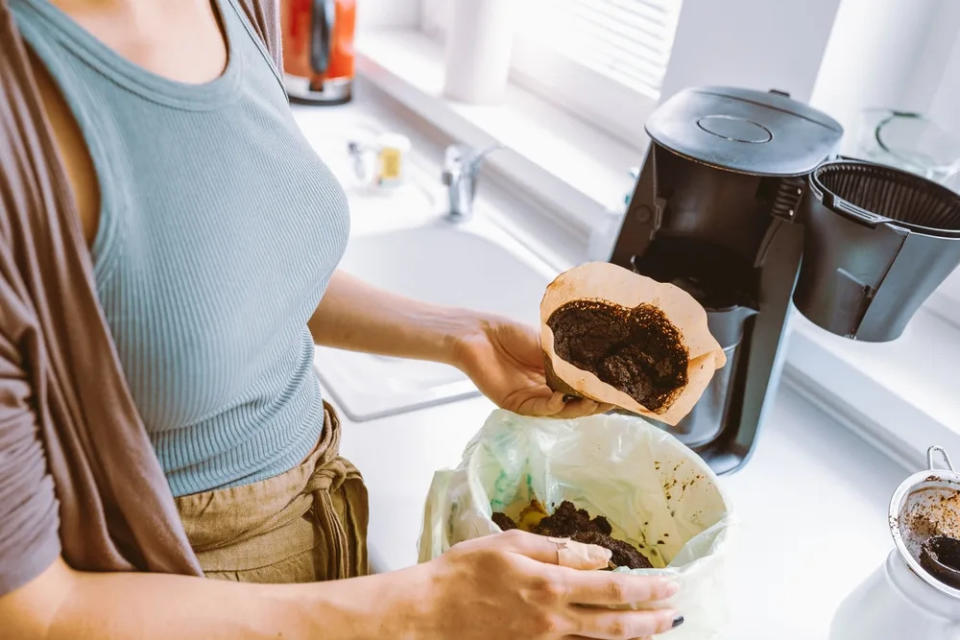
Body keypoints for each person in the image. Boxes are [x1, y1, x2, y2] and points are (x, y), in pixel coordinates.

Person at [0, 0, 684, 637]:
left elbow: (235, 273)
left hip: (325, 541)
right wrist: (423, 604)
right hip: (180, 590)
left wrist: (458, 334)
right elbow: (35, 608)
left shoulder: (235, 9)